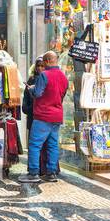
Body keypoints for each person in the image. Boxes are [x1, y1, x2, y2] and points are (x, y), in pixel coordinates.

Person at [23, 50, 68, 183]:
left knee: (35, 144)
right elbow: (62, 95)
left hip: (43, 115)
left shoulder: (44, 75)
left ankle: (33, 173)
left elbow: (37, 93)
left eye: (44, 62)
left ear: (47, 61)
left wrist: (31, 88)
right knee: (53, 145)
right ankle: (51, 173)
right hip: (57, 116)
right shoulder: (63, 76)